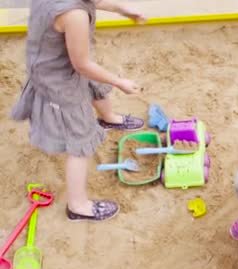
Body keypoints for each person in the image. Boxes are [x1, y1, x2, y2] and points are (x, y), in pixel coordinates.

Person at [10, 0, 146, 222]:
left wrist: (123, 9)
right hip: (58, 80)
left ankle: (109, 118)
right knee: (80, 139)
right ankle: (78, 205)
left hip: (53, 61)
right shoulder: (74, 15)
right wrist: (119, 81)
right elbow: (81, 65)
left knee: (93, 85)